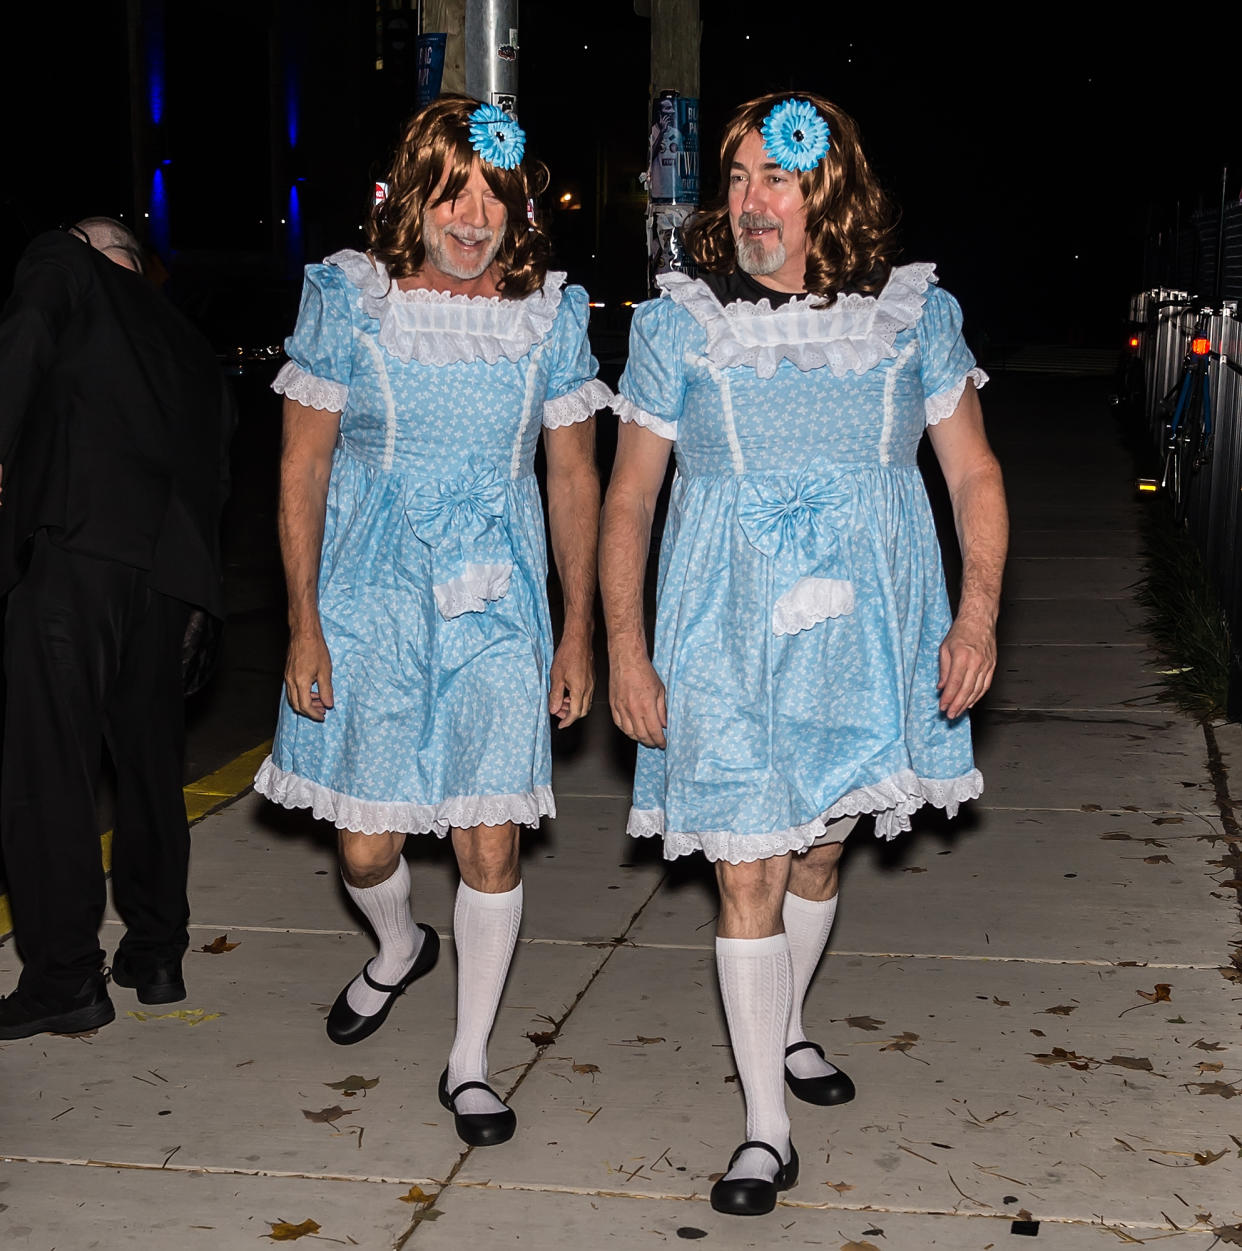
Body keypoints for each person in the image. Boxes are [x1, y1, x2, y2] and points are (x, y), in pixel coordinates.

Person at [600, 93, 1007, 1215]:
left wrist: (975, 619)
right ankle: (762, 1132)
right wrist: (627, 650)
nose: (748, 203)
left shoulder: (912, 316)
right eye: (733, 180)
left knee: (817, 856)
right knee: (747, 866)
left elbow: (972, 475)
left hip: (869, 630)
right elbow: (628, 499)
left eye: (771, 179)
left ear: (829, 188)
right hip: (721, 630)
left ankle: (784, 1030)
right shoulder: (680, 324)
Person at [253, 96, 606, 1147]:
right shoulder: (349, 299)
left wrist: (578, 626)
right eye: (452, 191)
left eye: (493, 194)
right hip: (369, 590)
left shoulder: (551, 312)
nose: (473, 215)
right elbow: (301, 467)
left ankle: (470, 1062)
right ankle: (398, 946)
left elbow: (574, 476)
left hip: (497, 593)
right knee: (366, 846)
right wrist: (303, 621)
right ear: (415, 195)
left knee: (485, 835)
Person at [0, 217, 234, 1039]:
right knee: (148, 770)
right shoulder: (191, 347)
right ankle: (155, 950)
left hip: (77, 546)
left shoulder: (65, 263)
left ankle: (64, 976)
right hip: (168, 581)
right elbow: (216, 475)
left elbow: (22, 336)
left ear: (102, 252)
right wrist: (201, 603)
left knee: (48, 765)